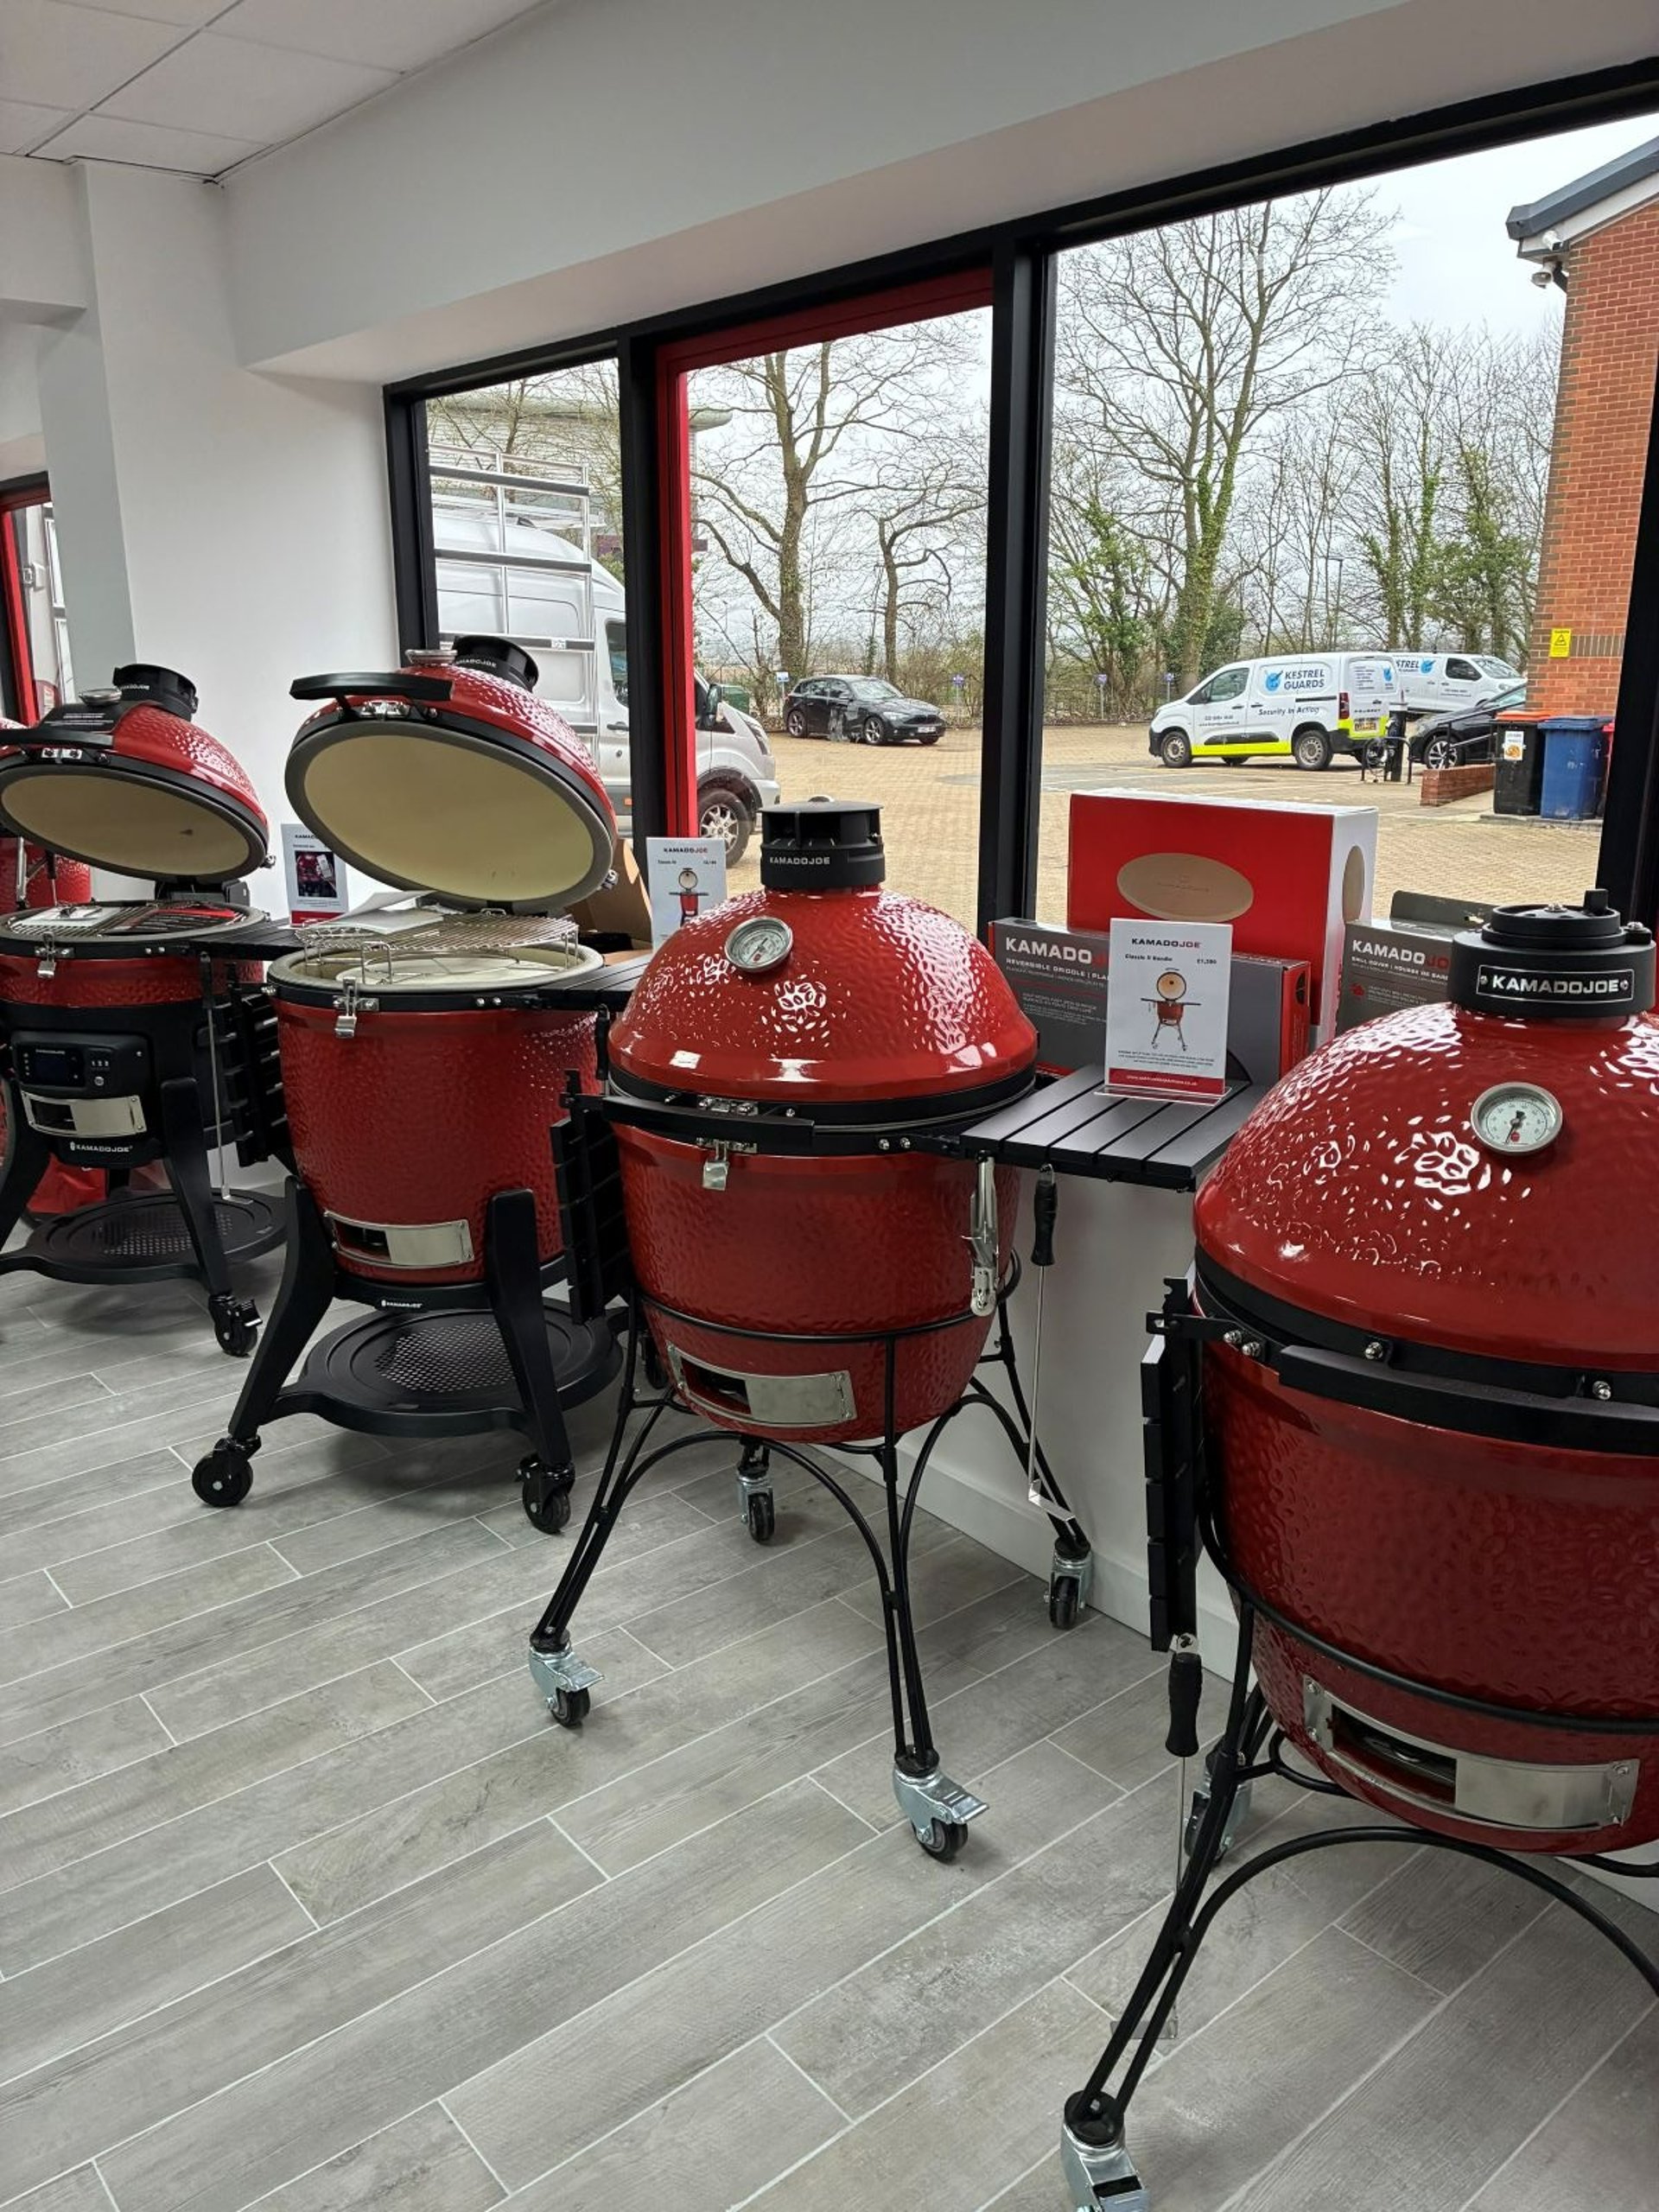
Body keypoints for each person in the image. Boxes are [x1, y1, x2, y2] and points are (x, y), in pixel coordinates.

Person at [1146, 969, 1197, 1051]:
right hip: (1175, 1017)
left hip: (1163, 1017)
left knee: (1161, 1024)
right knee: (1176, 1024)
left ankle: (1154, 1039)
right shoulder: (1176, 1003)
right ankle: (1182, 1043)